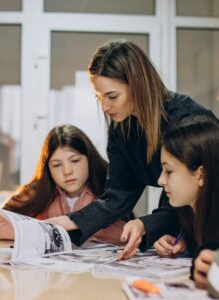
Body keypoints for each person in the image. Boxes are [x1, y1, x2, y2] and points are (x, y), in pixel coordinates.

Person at [46, 41, 217, 257]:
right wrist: (68, 221)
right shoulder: (122, 128)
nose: (105, 108)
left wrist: (150, 225)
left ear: (137, 85)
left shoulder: (189, 123)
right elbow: (117, 196)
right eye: (99, 98)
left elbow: (196, 195)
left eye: (112, 96)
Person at [0, 124, 125, 244]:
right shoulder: (38, 191)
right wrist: (48, 230)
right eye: (57, 165)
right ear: (48, 170)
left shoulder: (108, 189)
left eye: (75, 160)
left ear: (89, 159)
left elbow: (124, 233)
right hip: (50, 272)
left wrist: (71, 225)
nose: (67, 171)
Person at [151, 115, 219, 289]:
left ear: (201, 175)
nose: (160, 180)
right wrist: (186, 246)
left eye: (169, 171)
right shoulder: (190, 215)